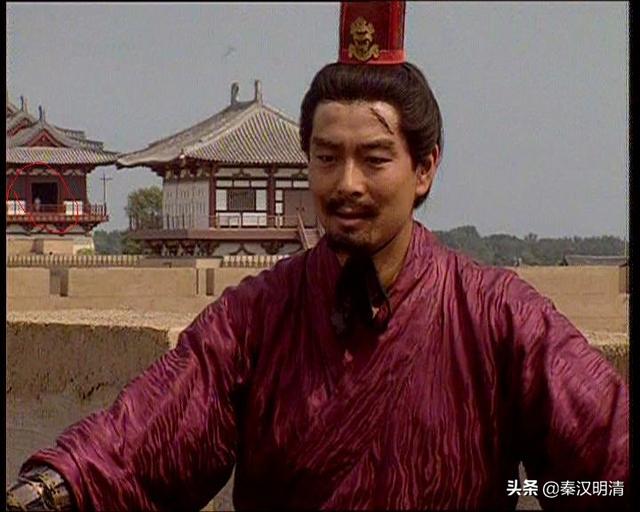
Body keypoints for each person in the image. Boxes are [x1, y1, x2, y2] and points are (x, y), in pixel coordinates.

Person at [6, 2, 629, 511]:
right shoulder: (255, 318)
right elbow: (144, 437)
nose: (346, 184)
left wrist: (526, 491)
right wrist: (51, 492)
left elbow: (606, 460)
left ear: (425, 169)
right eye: (327, 158)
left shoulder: (500, 318)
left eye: (375, 159)